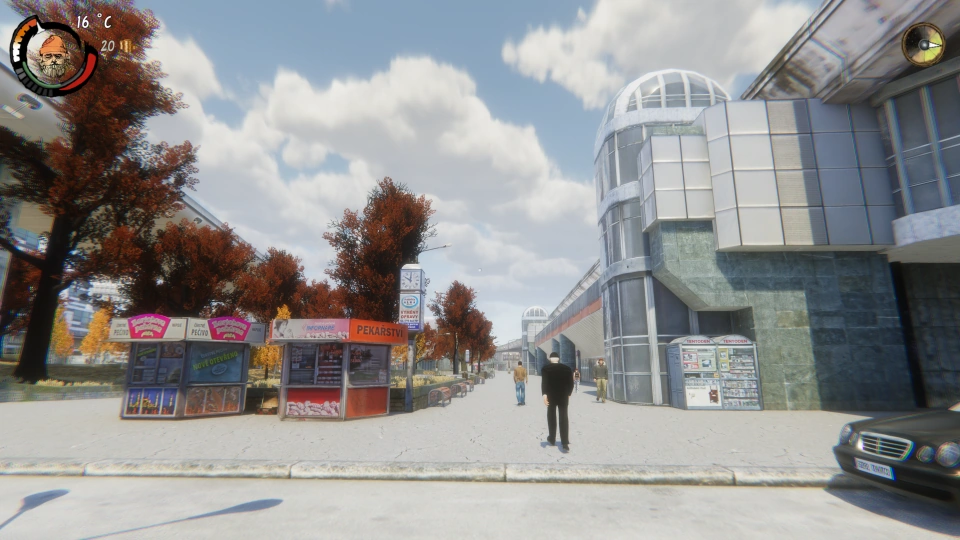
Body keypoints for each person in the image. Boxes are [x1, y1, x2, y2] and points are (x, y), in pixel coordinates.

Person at [541, 352, 574, 451]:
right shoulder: (567, 369)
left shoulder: (546, 369)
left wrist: (544, 395)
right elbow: (571, 383)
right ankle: (565, 442)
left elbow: (544, 383)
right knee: (564, 417)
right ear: (558, 359)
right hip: (563, 396)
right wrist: (569, 393)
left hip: (551, 396)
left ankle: (552, 438)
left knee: (551, 416)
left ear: (550, 359)